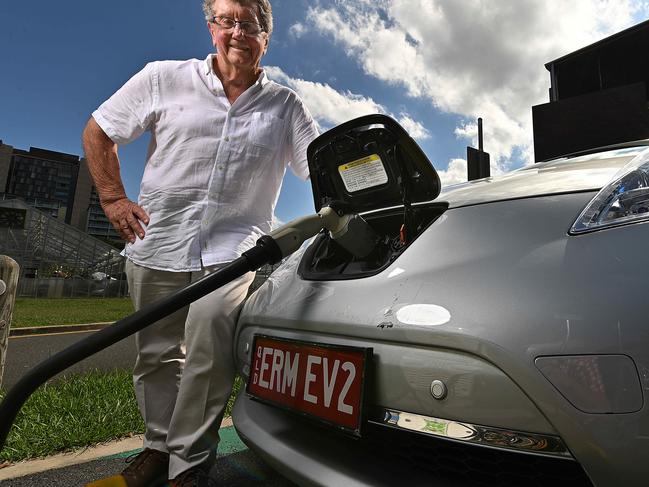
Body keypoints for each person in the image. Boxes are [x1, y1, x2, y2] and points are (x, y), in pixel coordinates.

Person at [82, 0, 318, 485]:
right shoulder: (162, 78)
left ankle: (187, 464)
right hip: (159, 239)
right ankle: (157, 447)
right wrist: (112, 198)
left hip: (235, 252)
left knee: (210, 342)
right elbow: (100, 131)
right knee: (156, 353)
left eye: (248, 24)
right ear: (210, 28)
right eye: (226, 21)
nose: (236, 32)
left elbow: (319, 166)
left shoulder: (286, 105)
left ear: (265, 38)